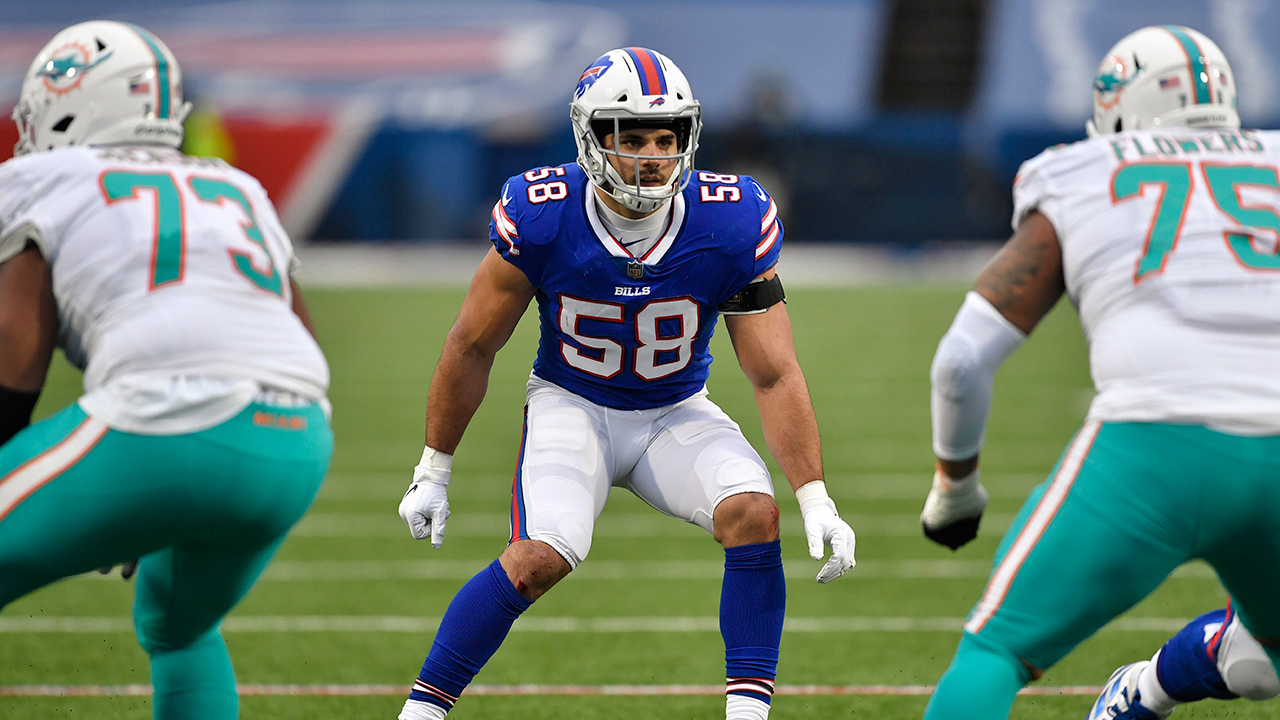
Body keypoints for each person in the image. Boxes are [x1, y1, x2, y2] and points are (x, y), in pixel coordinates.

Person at [396, 47, 855, 720]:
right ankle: (421, 712)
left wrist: (815, 496)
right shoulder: (543, 213)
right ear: (590, 137)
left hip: (675, 411)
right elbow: (472, 344)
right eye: (630, 136)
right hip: (572, 404)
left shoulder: (728, 220)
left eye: (665, 137)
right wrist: (434, 468)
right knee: (536, 559)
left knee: (754, 514)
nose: (650, 154)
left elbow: (773, 370)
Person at [917, 24, 1280, 720]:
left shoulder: (1080, 169)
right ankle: (1148, 691)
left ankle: (1144, 694)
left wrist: (955, 490)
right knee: (1264, 662)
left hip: (1149, 447)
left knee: (995, 654)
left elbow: (962, 360)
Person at [0, 21, 333, 720]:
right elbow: (293, 329)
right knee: (179, 626)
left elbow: (13, 355)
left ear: (72, 102)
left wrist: (119, 487)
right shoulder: (236, 186)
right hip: (295, 437)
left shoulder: (38, 177)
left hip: (163, 421)